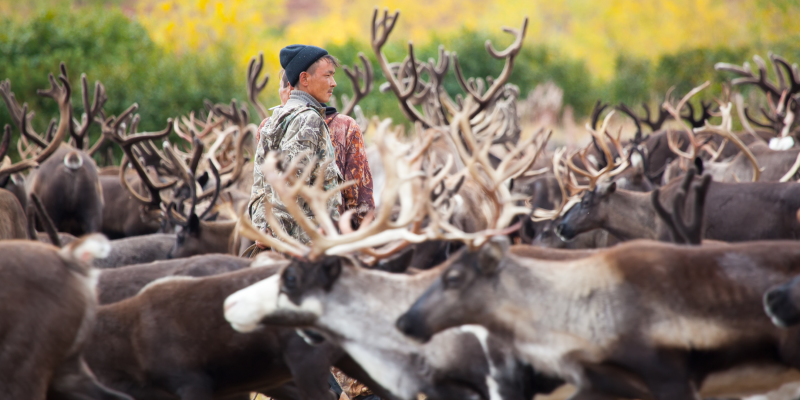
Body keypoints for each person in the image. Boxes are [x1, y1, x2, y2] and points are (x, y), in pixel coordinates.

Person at [247, 45, 373, 255]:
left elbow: (259, 189)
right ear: (304, 79)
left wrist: (264, 229)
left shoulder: (272, 122)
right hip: (309, 251)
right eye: (328, 75)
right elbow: (291, 185)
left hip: (278, 247)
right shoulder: (309, 119)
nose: (333, 83)